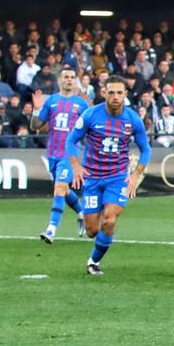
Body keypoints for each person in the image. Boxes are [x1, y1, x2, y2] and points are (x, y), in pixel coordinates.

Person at [67, 76, 150, 277]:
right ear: (104, 92)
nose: (115, 97)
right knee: (92, 231)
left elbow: (145, 149)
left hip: (117, 177)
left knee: (110, 220)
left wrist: (135, 175)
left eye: (119, 93)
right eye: (111, 92)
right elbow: (71, 141)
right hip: (92, 178)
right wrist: (76, 166)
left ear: (125, 95)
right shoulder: (90, 115)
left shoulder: (132, 119)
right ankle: (90, 219)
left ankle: (93, 262)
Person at [38, 72, 90, 243]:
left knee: (59, 187)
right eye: (65, 77)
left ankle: (51, 229)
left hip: (70, 154)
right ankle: (82, 213)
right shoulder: (51, 101)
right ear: (60, 80)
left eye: (72, 77)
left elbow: (90, 129)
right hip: (52, 153)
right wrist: (36, 110)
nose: (69, 80)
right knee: (64, 190)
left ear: (75, 82)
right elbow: (36, 125)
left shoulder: (81, 104)